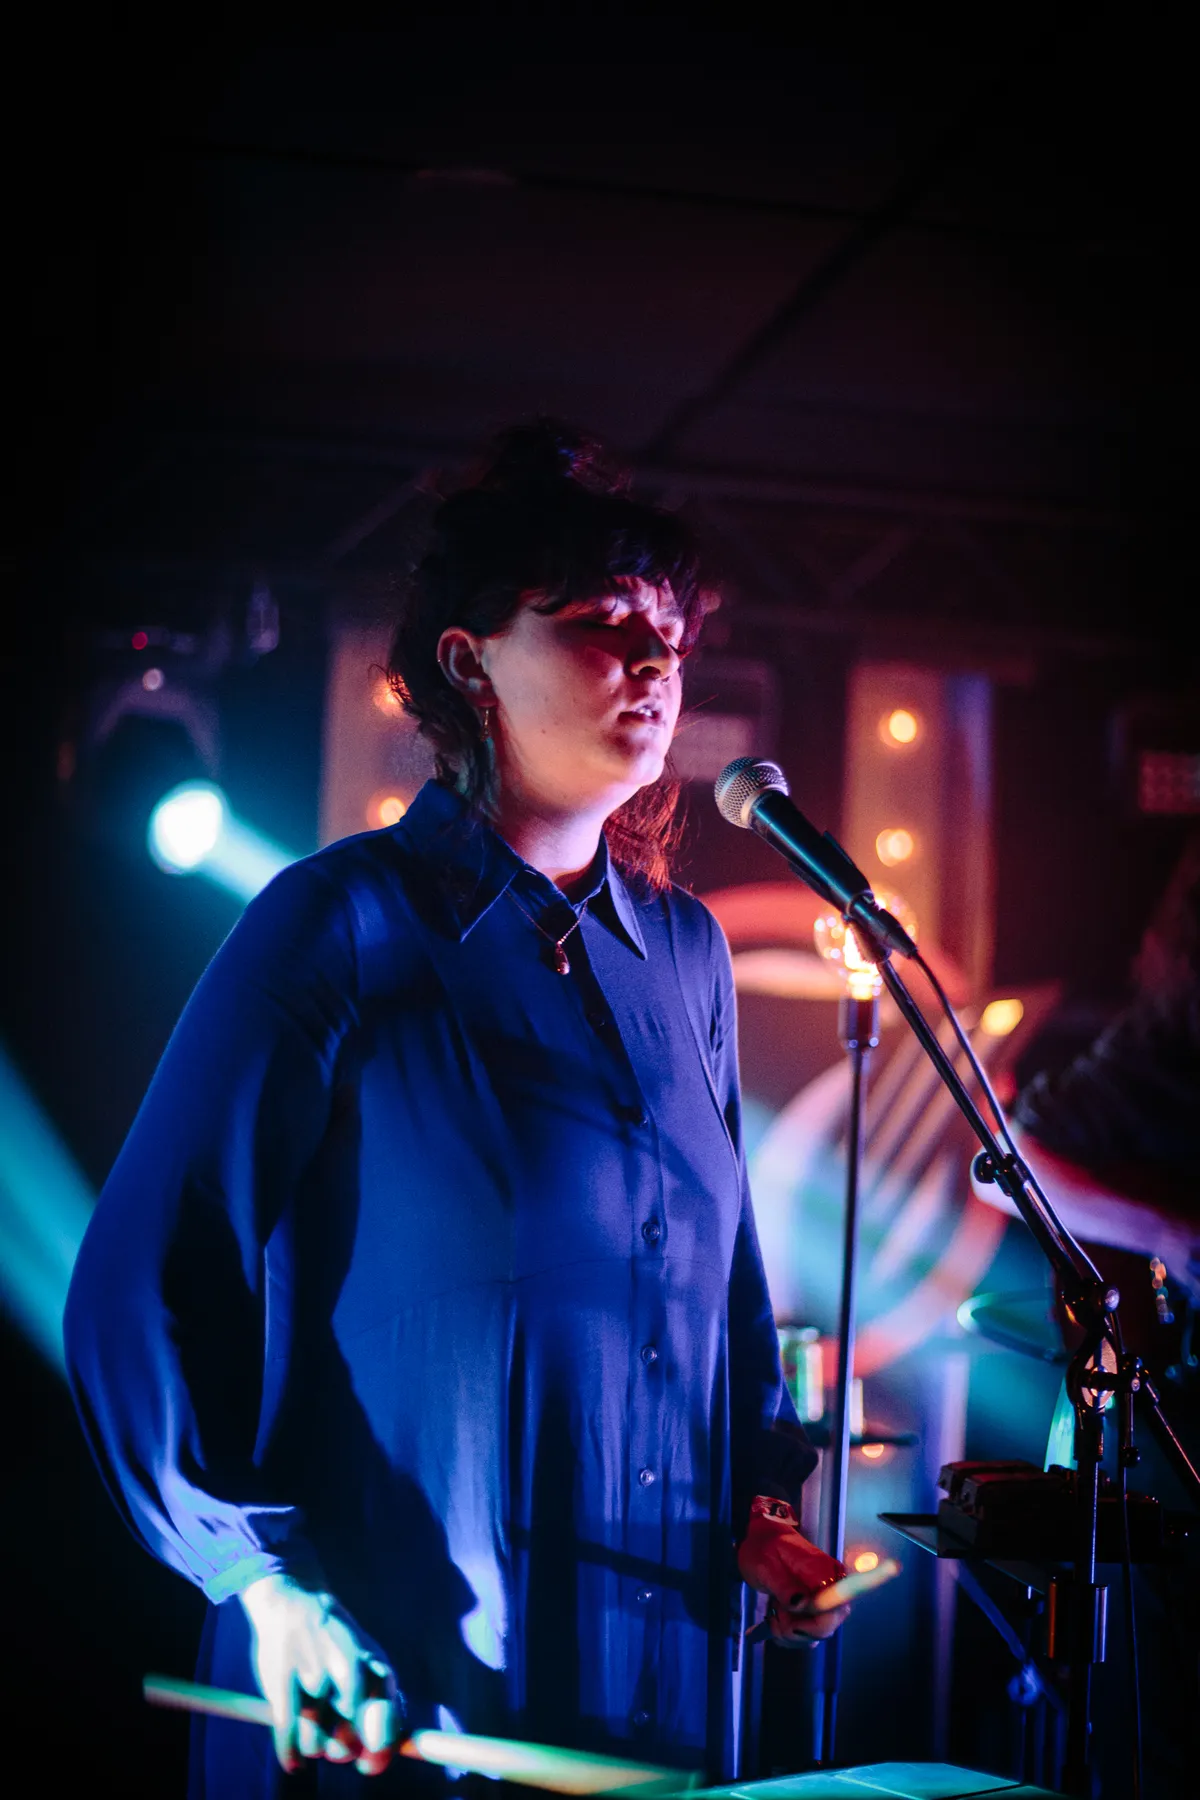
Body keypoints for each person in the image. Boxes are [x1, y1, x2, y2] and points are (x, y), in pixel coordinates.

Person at [64, 420, 847, 1797]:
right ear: (470, 662)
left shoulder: (688, 954)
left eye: (670, 633)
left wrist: (762, 1510)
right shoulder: (339, 923)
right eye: (602, 624)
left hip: (658, 1681)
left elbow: (725, 1294)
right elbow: (141, 1276)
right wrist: (259, 1583)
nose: (657, 663)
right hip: (401, 1687)